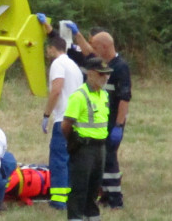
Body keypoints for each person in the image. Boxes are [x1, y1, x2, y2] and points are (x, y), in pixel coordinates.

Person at [37, 14, 85, 210]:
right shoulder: (73, 65)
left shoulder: (58, 64)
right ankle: (72, 196)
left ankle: (58, 200)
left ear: (51, 49)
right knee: (72, 160)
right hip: (78, 119)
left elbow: (57, 89)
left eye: (48, 49)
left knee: (58, 159)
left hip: (63, 119)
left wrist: (47, 115)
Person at [62, 57, 112, 221]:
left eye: (107, 75)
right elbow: (66, 124)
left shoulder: (104, 95)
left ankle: (93, 216)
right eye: (101, 74)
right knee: (79, 188)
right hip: (84, 147)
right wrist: (74, 142)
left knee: (94, 188)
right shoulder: (79, 96)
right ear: (90, 74)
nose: (105, 78)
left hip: (100, 148)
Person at [89, 31, 131, 209]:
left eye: (96, 47)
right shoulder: (103, 65)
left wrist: (119, 126)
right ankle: (105, 195)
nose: (93, 50)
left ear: (105, 47)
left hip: (113, 122)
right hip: (102, 120)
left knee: (110, 159)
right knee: (102, 160)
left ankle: (116, 200)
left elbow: (124, 98)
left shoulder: (120, 67)